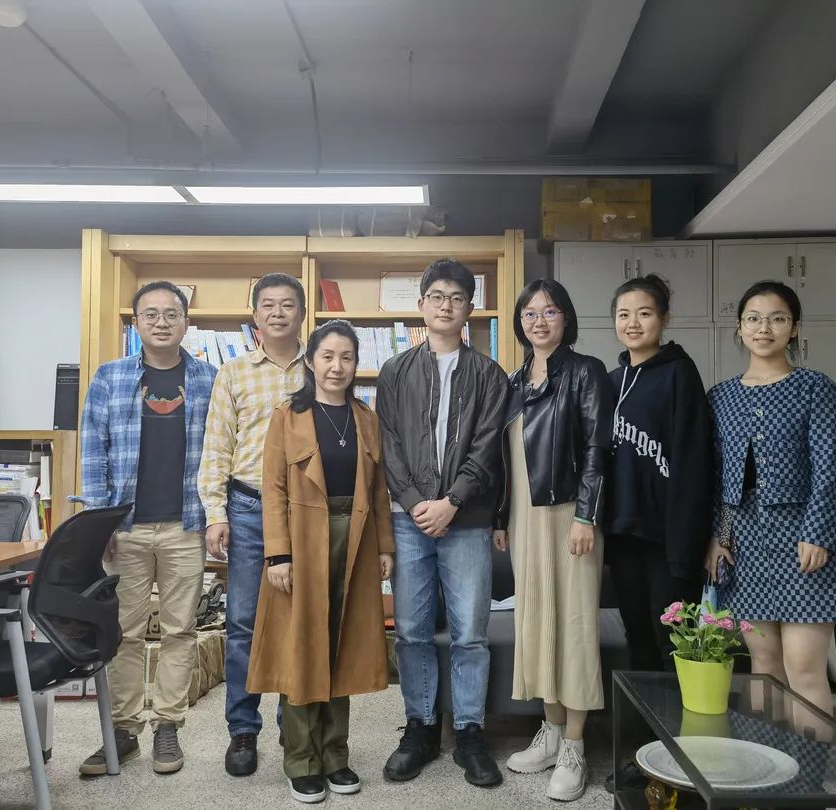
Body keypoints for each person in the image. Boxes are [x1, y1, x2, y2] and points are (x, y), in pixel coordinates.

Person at [247, 320, 395, 804]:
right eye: (327, 356)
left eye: (346, 357)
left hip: (356, 539)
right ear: (310, 361)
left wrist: (385, 547)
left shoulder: (366, 418)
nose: (337, 366)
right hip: (302, 541)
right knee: (303, 649)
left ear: (356, 364)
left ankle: (336, 756)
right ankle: (301, 762)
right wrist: (278, 553)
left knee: (342, 646)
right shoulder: (287, 416)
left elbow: (378, 490)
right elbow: (273, 490)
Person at [376, 258, 508, 788]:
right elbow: (388, 445)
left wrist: (452, 501)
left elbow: (488, 447)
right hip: (409, 520)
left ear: (469, 308)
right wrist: (415, 503)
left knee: (470, 633)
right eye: (437, 296)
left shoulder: (489, 374)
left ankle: (471, 732)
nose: (446, 305)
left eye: (456, 297)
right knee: (411, 632)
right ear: (422, 305)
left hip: (467, 520)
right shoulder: (395, 371)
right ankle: (422, 727)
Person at [77, 280, 217, 776]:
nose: (161, 322)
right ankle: (123, 730)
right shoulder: (110, 376)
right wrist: (98, 521)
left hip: (186, 525)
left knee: (180, 630)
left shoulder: (209, 379)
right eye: (151, 314)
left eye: (171, 313)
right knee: (123, 632)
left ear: (186, 322)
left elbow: (220, 451)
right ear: (136, 323)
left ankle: (168, 726)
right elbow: (92, 450)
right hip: (125, 527)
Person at [707, 280, 836, 725]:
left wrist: (817, 533)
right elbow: (719, 479)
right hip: (745, 542)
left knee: (804, 668)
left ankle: (809, 769)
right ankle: (768, 762)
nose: (764, 328)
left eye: (777, 319)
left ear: (794, 328)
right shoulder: (721, 397)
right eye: (753, 319)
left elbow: (830, 467)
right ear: (740, 327)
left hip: (802, 539)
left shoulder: (816, 388)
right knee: (764, 665)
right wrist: (718, 539)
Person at [493, 279, 612, 802]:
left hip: (569, 514)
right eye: (530, 313)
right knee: (536, 622)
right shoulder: (514, 380)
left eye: (549, 311)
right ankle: (551, 732)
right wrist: (501, 517)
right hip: (525, 517)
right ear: (520, 322)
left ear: (566, 318)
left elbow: (597, 449)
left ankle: (575, 747)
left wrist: (587, 515)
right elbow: (505, 458)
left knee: (575, 625)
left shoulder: (585, 371)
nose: (538, 321)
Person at [197, 273, 307, 776]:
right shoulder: (234, 373)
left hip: (306, 510)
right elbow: (217, 446)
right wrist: (216, 514)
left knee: (298, 620)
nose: (277, 313)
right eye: (268, 305)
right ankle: (243, 729)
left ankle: (293, 722)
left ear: (302, 313)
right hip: (248, 507)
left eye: (287, 304)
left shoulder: (320, 368)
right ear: (255, 315)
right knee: (243, 622)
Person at [605, 273, 712, 672]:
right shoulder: (611, 382)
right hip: (623, 535)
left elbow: (695, 459)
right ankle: (645, 715)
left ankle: (682, 716)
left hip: (669, 539)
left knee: (675, 640)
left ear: (664, 318)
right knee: (638, 638)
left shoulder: (679, 374)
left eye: (644, 313)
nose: (633, 323)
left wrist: (691, 539)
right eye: (624, 314)